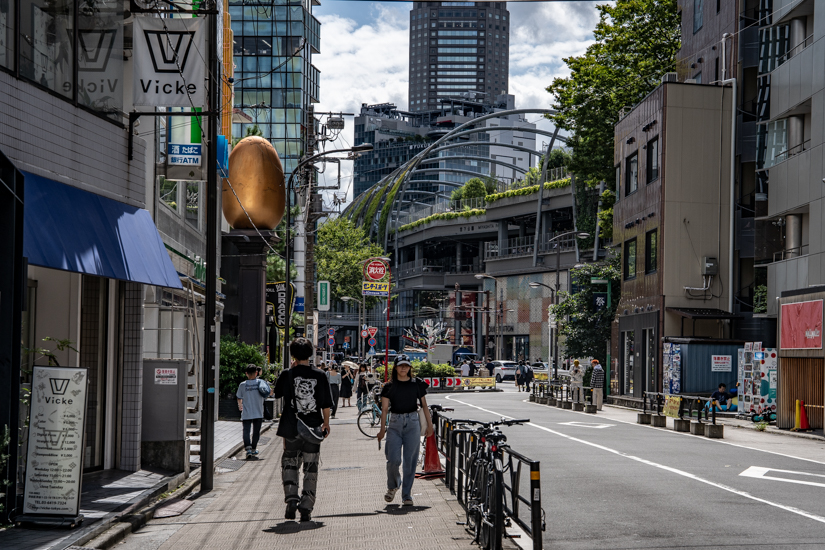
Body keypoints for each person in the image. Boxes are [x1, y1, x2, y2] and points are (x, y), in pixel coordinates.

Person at [274, 338, 333, 522]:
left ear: (293, 355)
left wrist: (291, 370)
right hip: (313, 427)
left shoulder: (287, 374)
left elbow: (276, 393)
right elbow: (325, 404)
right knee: (311, 467)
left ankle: (291, 499)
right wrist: (326, 423)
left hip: (291, 427)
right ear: (311, 353)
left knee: (290, 462)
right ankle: (306, 507)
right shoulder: (321, 375)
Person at [376, 355, 434, 507]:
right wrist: (382, 430)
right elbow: (384, 410)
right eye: (401, 365)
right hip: (394, 423)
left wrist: (430, 425)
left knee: (410, 461)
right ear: (395, 368)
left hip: (413, 423)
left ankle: (407, 495)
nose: (404, 368)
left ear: (410, 368)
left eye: (406, 366)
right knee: (393, 459)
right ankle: (393, 486)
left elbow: (425, 406)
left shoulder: (417, 384)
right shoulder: (389, 387)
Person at [237, 364, 270, 458]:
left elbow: (239, 397)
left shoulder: (242, 385)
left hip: (246, 412)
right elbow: (268, 393)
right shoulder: (261, 383)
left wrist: (240, 405)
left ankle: (248, 449)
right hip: (258, 412)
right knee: (256, 432)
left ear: (246, 374)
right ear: (256, 373)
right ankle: (253, 449)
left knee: (246, 431)